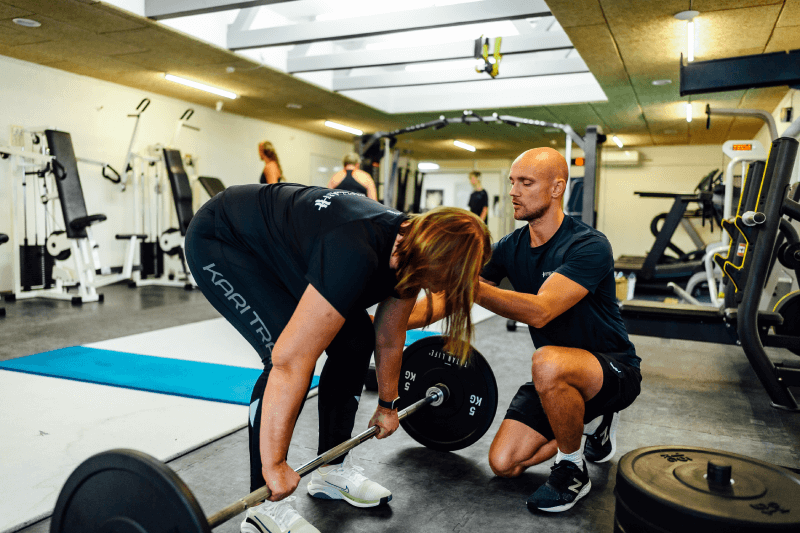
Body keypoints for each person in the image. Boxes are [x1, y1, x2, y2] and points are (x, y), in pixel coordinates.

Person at [185, 183, 491, 533]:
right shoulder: (356, 252)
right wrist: (275, 465)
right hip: (225, 240)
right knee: (280, 354)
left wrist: (389, 403)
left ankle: (330, 471)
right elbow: (290, 363)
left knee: (356, 341)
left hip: (290, 253)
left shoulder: (410, 249)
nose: (443, 289)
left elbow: (388, 337)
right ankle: (263, 506)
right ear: (433, 258)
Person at [408, 147, 641, 514]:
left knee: (547, 361)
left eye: (525, 182)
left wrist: (467, 280)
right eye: (512, 182)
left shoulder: (588, 245)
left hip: (611, 369)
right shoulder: (510, 247)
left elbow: (541, 311)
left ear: (556, 188)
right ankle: (590, 423)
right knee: (505, 464)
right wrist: (382, 324)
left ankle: (572, 469)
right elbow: (447, 298)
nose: (514, 191)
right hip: (554, 378)